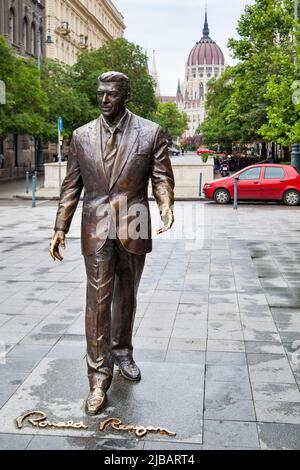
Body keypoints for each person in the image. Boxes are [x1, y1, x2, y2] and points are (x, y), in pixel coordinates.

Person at [49, 72, 175, 415]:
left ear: (126, 94)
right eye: (100, 93)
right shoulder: (81, 135)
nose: (104, 99)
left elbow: (162, 176)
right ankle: (98, 378)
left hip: (133, 224)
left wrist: (165, 203)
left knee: (127, 294)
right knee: (98, 299)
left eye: (112, 94)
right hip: (96, 226)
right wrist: (60, 226)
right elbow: (71, 186)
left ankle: (122, 350)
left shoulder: (150, 132)